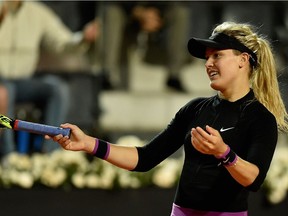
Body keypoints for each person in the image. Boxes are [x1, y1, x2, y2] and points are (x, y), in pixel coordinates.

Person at [47, 21, 288, 215]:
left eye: (217, 55)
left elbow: (254, 180)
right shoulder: (195, 109)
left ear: (243, 61)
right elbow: (145, 158)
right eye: (208, 57)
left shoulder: (260, 117)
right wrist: (89, 144)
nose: (209, 63)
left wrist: (224, 153)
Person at [0, 0, 99, 155]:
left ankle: (50, 155)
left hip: (23, 81)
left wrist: (83, 38)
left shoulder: (37, 12)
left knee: (57, 88)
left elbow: (63, 42)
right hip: (2, 83)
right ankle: (8, 156)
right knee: (5, 91)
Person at [100, 2, 190, 92]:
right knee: (112, 12)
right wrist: (138, 12)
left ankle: (174, 75)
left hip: (157, 11)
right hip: (127, 11)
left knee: (180, 13)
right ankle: (107, 74)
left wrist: (154, 13)